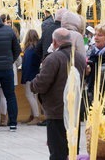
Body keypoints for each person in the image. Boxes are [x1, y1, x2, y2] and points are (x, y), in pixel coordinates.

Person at [31, 28, 86, 160]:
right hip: (74, 111)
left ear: (54, 41)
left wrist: (33, 84)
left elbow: (42, 83)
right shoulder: (79, 57)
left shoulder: (53, 58)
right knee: (72, 149)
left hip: (56, 111)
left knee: (57, 150)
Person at [86, 24, 105, 99]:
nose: (96, 38)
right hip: (90, 93)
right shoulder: (91, 51)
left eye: (100, 35)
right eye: (95, 35)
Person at [20, 29, 41, 125]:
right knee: (34, 96)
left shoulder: (29, 50)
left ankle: (36, 116)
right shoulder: (37, 49)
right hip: (36, 74)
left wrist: (24, 78)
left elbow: (26, 65)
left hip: (29, 76)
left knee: (29, 96)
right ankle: (33, 115)